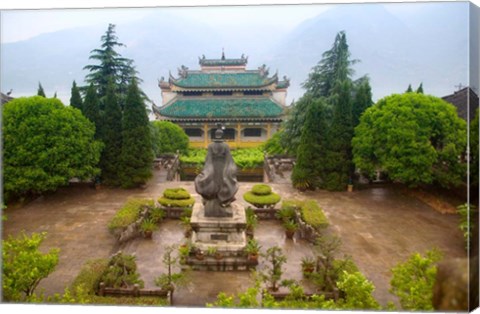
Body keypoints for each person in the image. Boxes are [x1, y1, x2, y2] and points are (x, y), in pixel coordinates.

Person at [194, 126, 238, 217]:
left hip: (213, 167)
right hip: (223, 167)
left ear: (215, 135)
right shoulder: (226, 146)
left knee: (213, 181)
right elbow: (229, 159)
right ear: (222, 135)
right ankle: (223, 200)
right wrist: (230, 169)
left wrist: (207, 170)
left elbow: (208, 159)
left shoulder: (210, 146)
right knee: (223, 182)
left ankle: (215, 199)